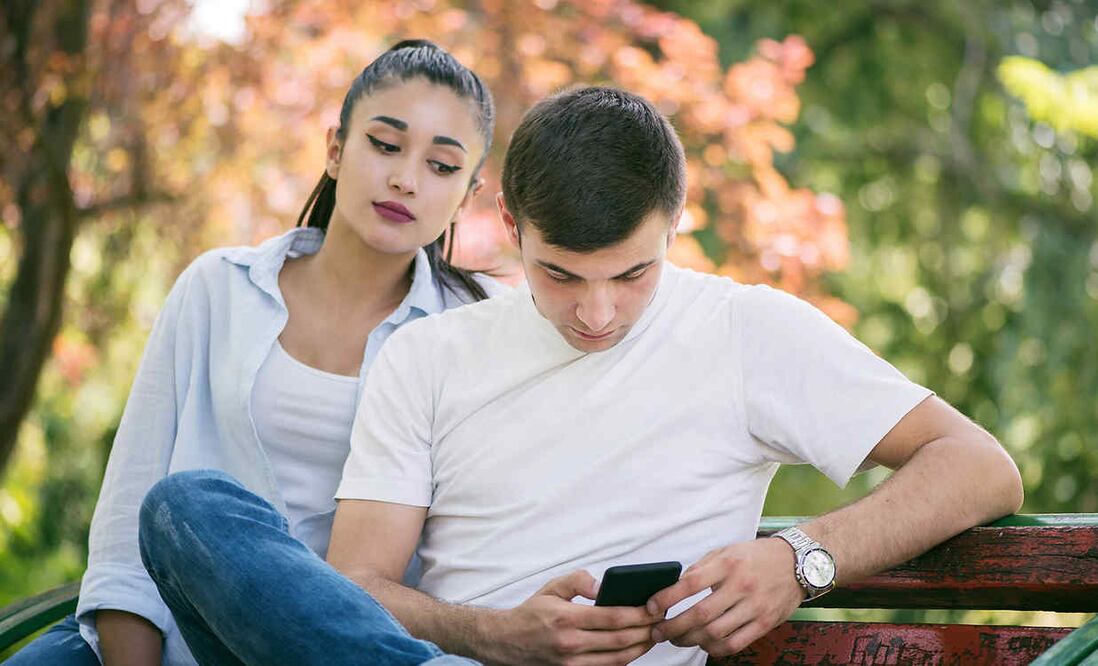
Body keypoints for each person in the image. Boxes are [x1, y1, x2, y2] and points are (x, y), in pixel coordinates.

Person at [137, 86, 1024, 666]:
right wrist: (500, 636)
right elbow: (357, 592)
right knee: (187, 510)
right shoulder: (427, 355)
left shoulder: (747, 330)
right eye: (560, 276)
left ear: (674, 224)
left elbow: (980, 466)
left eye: (633, 275)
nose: (596, 316)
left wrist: (799, 559)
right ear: (509, 223)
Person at [8, 40, 501, 666]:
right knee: (184, 504)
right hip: (171, 634)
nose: (406, 178)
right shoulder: (220, 288)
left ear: (469, 192)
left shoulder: (470, 330)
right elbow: (130, 511)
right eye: (384, 145)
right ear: (334, 148)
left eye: (442, 166)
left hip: (330, 650)